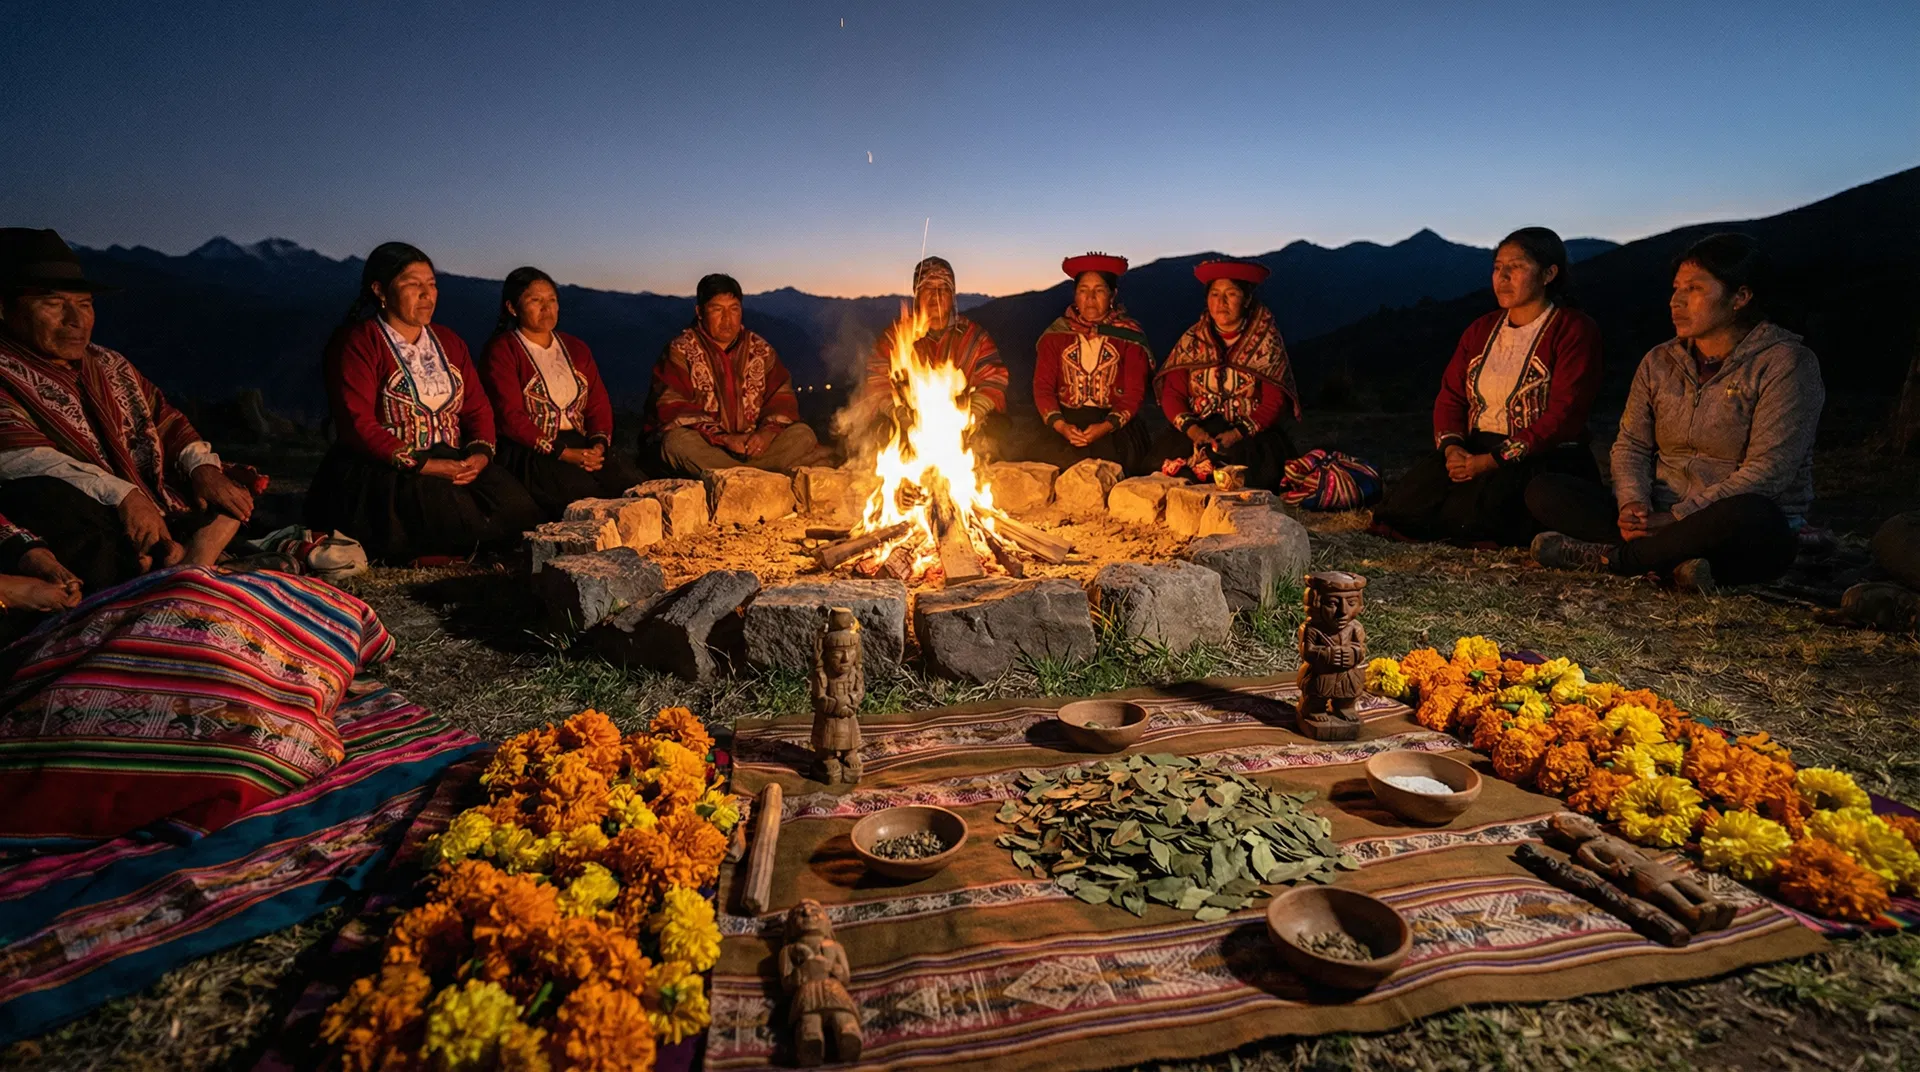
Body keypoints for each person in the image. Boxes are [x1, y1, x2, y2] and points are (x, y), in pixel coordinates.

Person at [1529, 233, 1823, 591]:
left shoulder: (1786, 363)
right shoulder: (1659, 361)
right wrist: (1633, 505)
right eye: (1676, 288)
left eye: (1694, 289)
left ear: (1741, 298)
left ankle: (1616, 559)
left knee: (1752, 516)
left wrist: (1677, 518)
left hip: (1728, 521)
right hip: (1659, 511)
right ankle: (1673, 561)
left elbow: (1769, 471)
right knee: (1545, 489)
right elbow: (1632, 445)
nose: (1676, 301)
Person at [0, 228, 261, 592]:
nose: (75, 320)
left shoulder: (109, 363)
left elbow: (166, 420)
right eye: (54, 304)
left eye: (86, 304)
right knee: (45, 500)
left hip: (152, 502)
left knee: (223, 487)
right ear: (4, 309)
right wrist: (121, 494)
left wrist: (202, 469)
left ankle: (175, 556)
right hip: (87, 511)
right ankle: (181, 562)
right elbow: (22, 457)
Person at [306, 242, 542, 563]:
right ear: (380, 290)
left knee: (519, 510)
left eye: (432, 284)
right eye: (413, 284)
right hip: (384, 467)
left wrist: (479, 454)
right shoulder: (358, 342)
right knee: (457, 518)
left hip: (449, 457)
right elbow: (356, 424)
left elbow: (476, 408)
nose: (427, 294)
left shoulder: (448, 342)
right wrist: (424, 464)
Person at [1371, 228, 1603, 546]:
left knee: (1472, 517)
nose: (1503, 276)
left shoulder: (1573, 330)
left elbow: (1565, 414)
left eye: (1516, 266)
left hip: (1538, 456)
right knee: (1404, 507)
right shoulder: (1481, 330)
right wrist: (1453, 448)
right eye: (1497, 267)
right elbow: (1451, 396)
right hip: (1476, 448)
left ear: (1549, 273)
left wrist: (1492, 461)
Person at [480, 266, 643, 516]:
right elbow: (509, 416)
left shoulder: (575, 348)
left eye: (552, 300)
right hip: (531, 450)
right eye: (535, 300)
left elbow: (597, 402)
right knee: (589, 502)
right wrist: (562, 453)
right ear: (513, 308)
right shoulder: (503, 351)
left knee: (635, 489)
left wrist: (598, 444)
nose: (547, 308)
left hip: (580, 443)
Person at [645, 273, 832, 476]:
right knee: (676, 443)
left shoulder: (760, 350)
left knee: (803, 435)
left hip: (755, 448)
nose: (727, 319)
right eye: (717, 309)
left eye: (734, 309)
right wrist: (724, 438)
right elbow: (670, 406)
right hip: (709, 447)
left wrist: (765, 434)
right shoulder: (681, 350)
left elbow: (781, 399)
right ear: (700, 312)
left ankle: (737, 477)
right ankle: (757, 476)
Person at [1151, 258, 1300, 489]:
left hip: (1249, 436)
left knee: (1251, 481)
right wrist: (1194, 431)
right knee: (1162, 474)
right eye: (1214, 295)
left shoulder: (1266, 342)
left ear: (1247, 299)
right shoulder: (1192, 341)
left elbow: (1274, 401)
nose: (1221, 302)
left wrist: (1237, 434)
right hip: (1196, 431)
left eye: (1231, 294)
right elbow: (1173, 393)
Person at [855, 256, 1009, 457]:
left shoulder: (974, 337)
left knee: (994, 434)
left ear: (952, 295)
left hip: (962, 421)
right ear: (917, 294)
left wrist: (970, 416)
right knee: (879, 434)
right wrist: (899, 413)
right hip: (907, 422)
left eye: (944, 288)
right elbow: (876, 379)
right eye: (928, 287)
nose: (936, 295)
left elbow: (993, 379)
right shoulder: (898, 337)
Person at [1030, 253, 1154, 474]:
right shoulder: (1056, 336)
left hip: (1114, 427)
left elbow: (1134, 393)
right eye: (1083, 291)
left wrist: (1105, 427)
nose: (1090, 298)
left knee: (1112, 469)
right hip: (1065, 424)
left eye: (1099, 291)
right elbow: (1043, 388)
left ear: (1112, 295)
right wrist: (1062, 426)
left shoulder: (1129, 338)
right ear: (1075, 296)